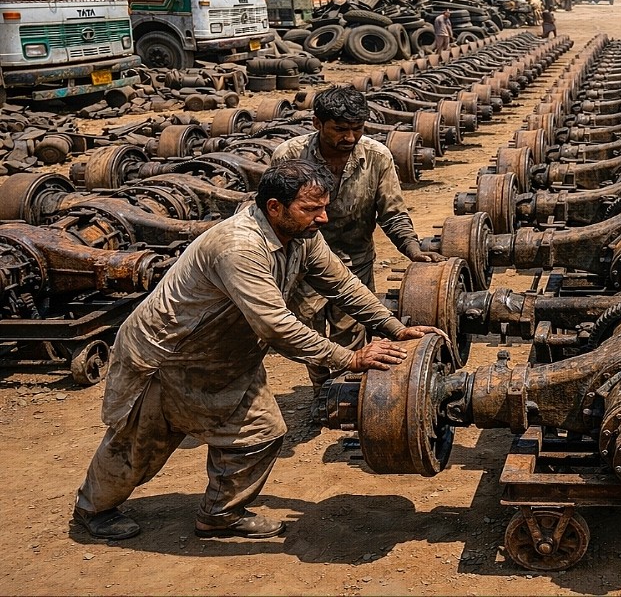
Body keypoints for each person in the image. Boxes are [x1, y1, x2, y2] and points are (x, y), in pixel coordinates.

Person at [73, 160, 431, 541]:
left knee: (260, 433)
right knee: (139, 443)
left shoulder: (302, 235)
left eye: (324, 207)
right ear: (274, 207)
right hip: (172, 356)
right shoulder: (239, 246)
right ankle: (94, 509)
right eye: (312, 209)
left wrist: (394, 327)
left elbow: (342, 284)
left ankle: (220, 515)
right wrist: (349, 358)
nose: (323, 218)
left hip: (228, 355)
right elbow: (275, 325)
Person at [271, 85, 437, 394]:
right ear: (317, 124)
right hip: (302, 264)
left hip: (353, 261)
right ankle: (323, 391)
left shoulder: (377, 157)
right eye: (340, 129)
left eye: (357, 129)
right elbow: (276, 214)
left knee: (351, 331)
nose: (349, 137)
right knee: (309, 332)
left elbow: (393, 212)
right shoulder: (290, 156)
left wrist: (413, 249)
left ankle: (350, 393)